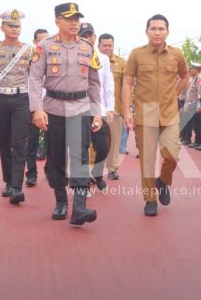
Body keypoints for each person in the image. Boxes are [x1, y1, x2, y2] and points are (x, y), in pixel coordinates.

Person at [29, 2, 101, 225]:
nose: (74, 23)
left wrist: (97, 113)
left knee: (79, 157)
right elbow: (35, 79)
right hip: (54, 109)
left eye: (77, 19)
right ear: (57, 21)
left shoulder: (87, 48)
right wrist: (37, 109)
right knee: (55, 158)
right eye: (69, 19)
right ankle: (60, 199)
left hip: (80, 108)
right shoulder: (45, 46)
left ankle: (79, 208)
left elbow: (94, 84)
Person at [122, 14, 189, 217]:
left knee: (172, 155)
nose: (157, 32)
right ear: (147, 31)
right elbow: (127, 81)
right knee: (148, 160)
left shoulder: (176, 54)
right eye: (153, 28)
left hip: (169, 113)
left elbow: (185, 75)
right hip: (145, 113)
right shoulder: (136, 54)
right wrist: (126, 110)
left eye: (161, 29)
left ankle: (163, 181)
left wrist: (175, 94)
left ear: (167, 31)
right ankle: (150, 199)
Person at [0, 9, 32, 205]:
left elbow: (35, 78)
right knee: (4, 142)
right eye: (10, 26)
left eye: (17, 26)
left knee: (19, 143)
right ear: (2, 27)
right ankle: (8, 181)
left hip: (21, 99)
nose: (14, 29)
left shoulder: (29, 50)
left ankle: (17, 187)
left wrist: (37, 105)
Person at [78, 23, 114, 191]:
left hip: (97, 110)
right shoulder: (73, 56)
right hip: (77, 109)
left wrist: (109, 108)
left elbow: (108, 85)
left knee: (103, 146)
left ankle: (97, 172)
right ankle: (84, 183)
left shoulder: (103, 59)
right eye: (83, 35)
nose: (87, 38)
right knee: (82, 147)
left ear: (94, 37)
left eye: (90, 34)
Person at [98, 33, 127, 180]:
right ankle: (95, 169)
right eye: (105, 45)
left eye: (110, 45)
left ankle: (112, 168)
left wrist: (127, 108)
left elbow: (127, 87)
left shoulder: (121, 63)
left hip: (115, 108)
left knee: (114, 140)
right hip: (96, 108)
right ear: (99, 46)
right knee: (96, 141)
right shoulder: (92, 60)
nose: (108, 48)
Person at [25, 28, 49, 187]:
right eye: (40, 40)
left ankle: (50, 170)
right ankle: (31, 173)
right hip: (33, 105)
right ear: (34, 42)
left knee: (51, 141)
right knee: (32, 140)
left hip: (51, 103)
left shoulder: (55, 56)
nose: (44, 43)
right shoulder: (29, 59)